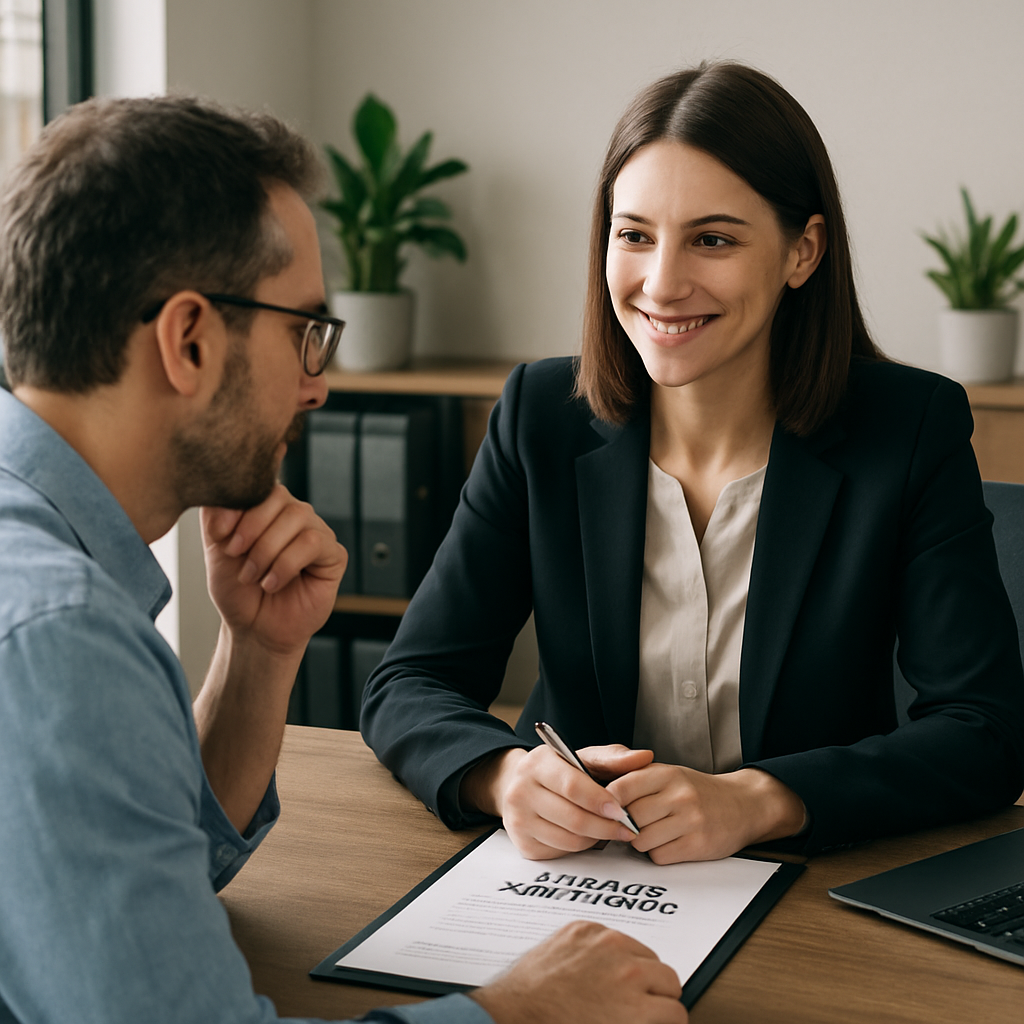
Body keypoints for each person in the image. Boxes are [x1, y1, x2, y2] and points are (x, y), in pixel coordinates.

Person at [0, 96, 688, 1024]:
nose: (319, 385)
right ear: (190, 340)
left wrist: (258, 651)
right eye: (306, 333)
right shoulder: (58, 635)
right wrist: (519, 1013)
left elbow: (162, 867)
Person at [361, 61, 1024, 865]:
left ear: (802, 252)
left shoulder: (908, 428)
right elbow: (412, 682)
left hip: (810, 891)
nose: (662, 283)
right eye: (634, 234)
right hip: (581, 882)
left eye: (712, 240)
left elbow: (984, 732)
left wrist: (759, 800)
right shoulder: (541, 416)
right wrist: (503, 778)